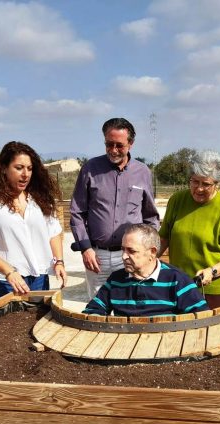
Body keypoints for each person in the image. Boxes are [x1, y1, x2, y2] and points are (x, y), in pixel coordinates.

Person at [0, 141, 67, 305]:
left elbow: (54, 233)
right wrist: (9, 272)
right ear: (4, 168)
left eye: (29, 168)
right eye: (19, 168)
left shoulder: (40, 199)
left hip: (39, 279)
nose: (25, 174)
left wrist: (59, 262)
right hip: (0, 281)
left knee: (37, 329)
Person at [70, 117, 159, 298]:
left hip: (131, 256)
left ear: (131, 144)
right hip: (96, 256)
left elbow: (150, 217)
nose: (113, 150)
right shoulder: (90, 169)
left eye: (119, 145)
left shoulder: (142, 172)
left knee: (131, 304)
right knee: (96, 307)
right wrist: (86, 248)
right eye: (109, 144)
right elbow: (77, 212)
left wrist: (147, 252)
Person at [158, 150, 220, 309]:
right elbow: (163, 238)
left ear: (217, 184)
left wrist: (213, 271)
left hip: (211, 289)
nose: (198, 189)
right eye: (194, 181)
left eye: (206, 184)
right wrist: (147, 259)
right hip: (178, 284)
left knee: (210, 331)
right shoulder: (177, 200)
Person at [83, 224, 208, 316]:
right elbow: (92, 311)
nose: (124, 256)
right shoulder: (116, 279)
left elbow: (201, 317)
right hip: (124, 347)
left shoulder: (177, 280)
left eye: (131, 251)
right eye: (123, 249)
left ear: (152, 252)